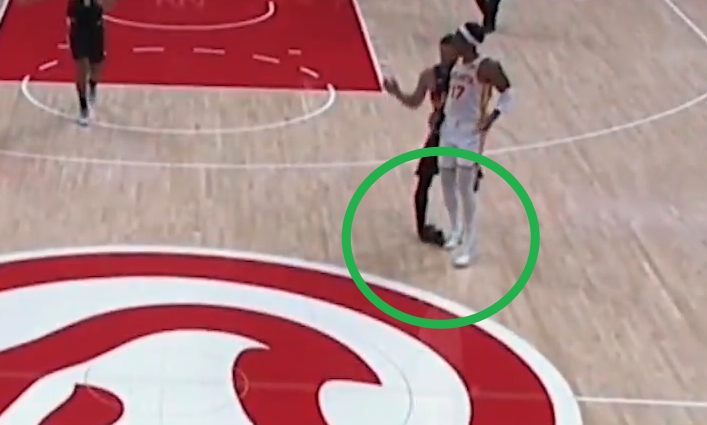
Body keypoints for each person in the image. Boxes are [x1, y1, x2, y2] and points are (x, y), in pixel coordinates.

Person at [383, 34, 483, 246]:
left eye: (449, 53)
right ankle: (422, 229)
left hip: (460, 135)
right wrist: (397, 92)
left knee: (465, 185)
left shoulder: (468, 75)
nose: (444, 57)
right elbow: (414, 101)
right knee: (423, 179)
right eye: (442, 52)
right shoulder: (430, 75)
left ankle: (463, 229)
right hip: (439, 135)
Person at [439, 21, 512, 268]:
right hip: (450, 128)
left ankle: (471, 247)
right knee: (446, 180)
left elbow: (508, 93)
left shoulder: (486, 66)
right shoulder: (456, 65)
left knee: (465, 188)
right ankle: (456, 229)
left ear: (469, 43)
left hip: (470, 133)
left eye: (459, 39)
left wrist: (491, 118)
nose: (454, 42)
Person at [66, 0, 117, 126]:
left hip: (95, 27)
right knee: (82, 65)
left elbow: (110, 5)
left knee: (97, 66)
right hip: (78, 28)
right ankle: (83, 107)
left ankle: (92, 85)